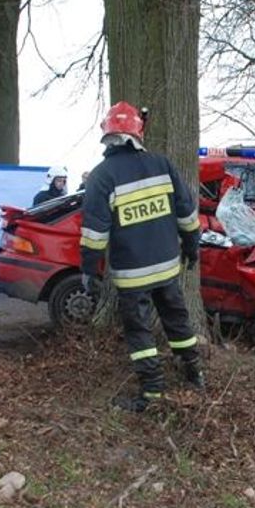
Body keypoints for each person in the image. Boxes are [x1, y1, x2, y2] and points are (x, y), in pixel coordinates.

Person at [79, 101, 203, 412]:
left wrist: (89, 272)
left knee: (139, 331)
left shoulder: (101, 177)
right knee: (177, 320)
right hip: (167, 267)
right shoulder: (162, 165)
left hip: (132, 275)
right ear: (139, 132)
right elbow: (187, 214)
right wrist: (191, 247)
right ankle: (194, 373)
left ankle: (152, 393)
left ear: (107, 136)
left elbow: (94, 235)